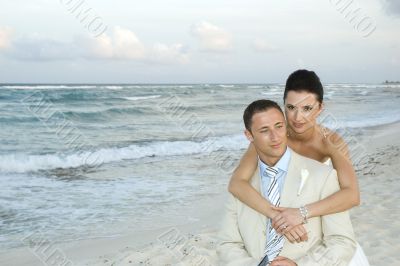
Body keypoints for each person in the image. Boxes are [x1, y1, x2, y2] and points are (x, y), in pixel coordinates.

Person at [228, 70, 369, 264]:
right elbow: (237, 184)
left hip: (318, 229)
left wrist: (300, 213)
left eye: (307, 108)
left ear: (320, 108)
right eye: (291, 107)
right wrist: (278, 217)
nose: (297, 117)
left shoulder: (332, 142)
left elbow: (352, 196)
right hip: (283, 232)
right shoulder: (274, 137)